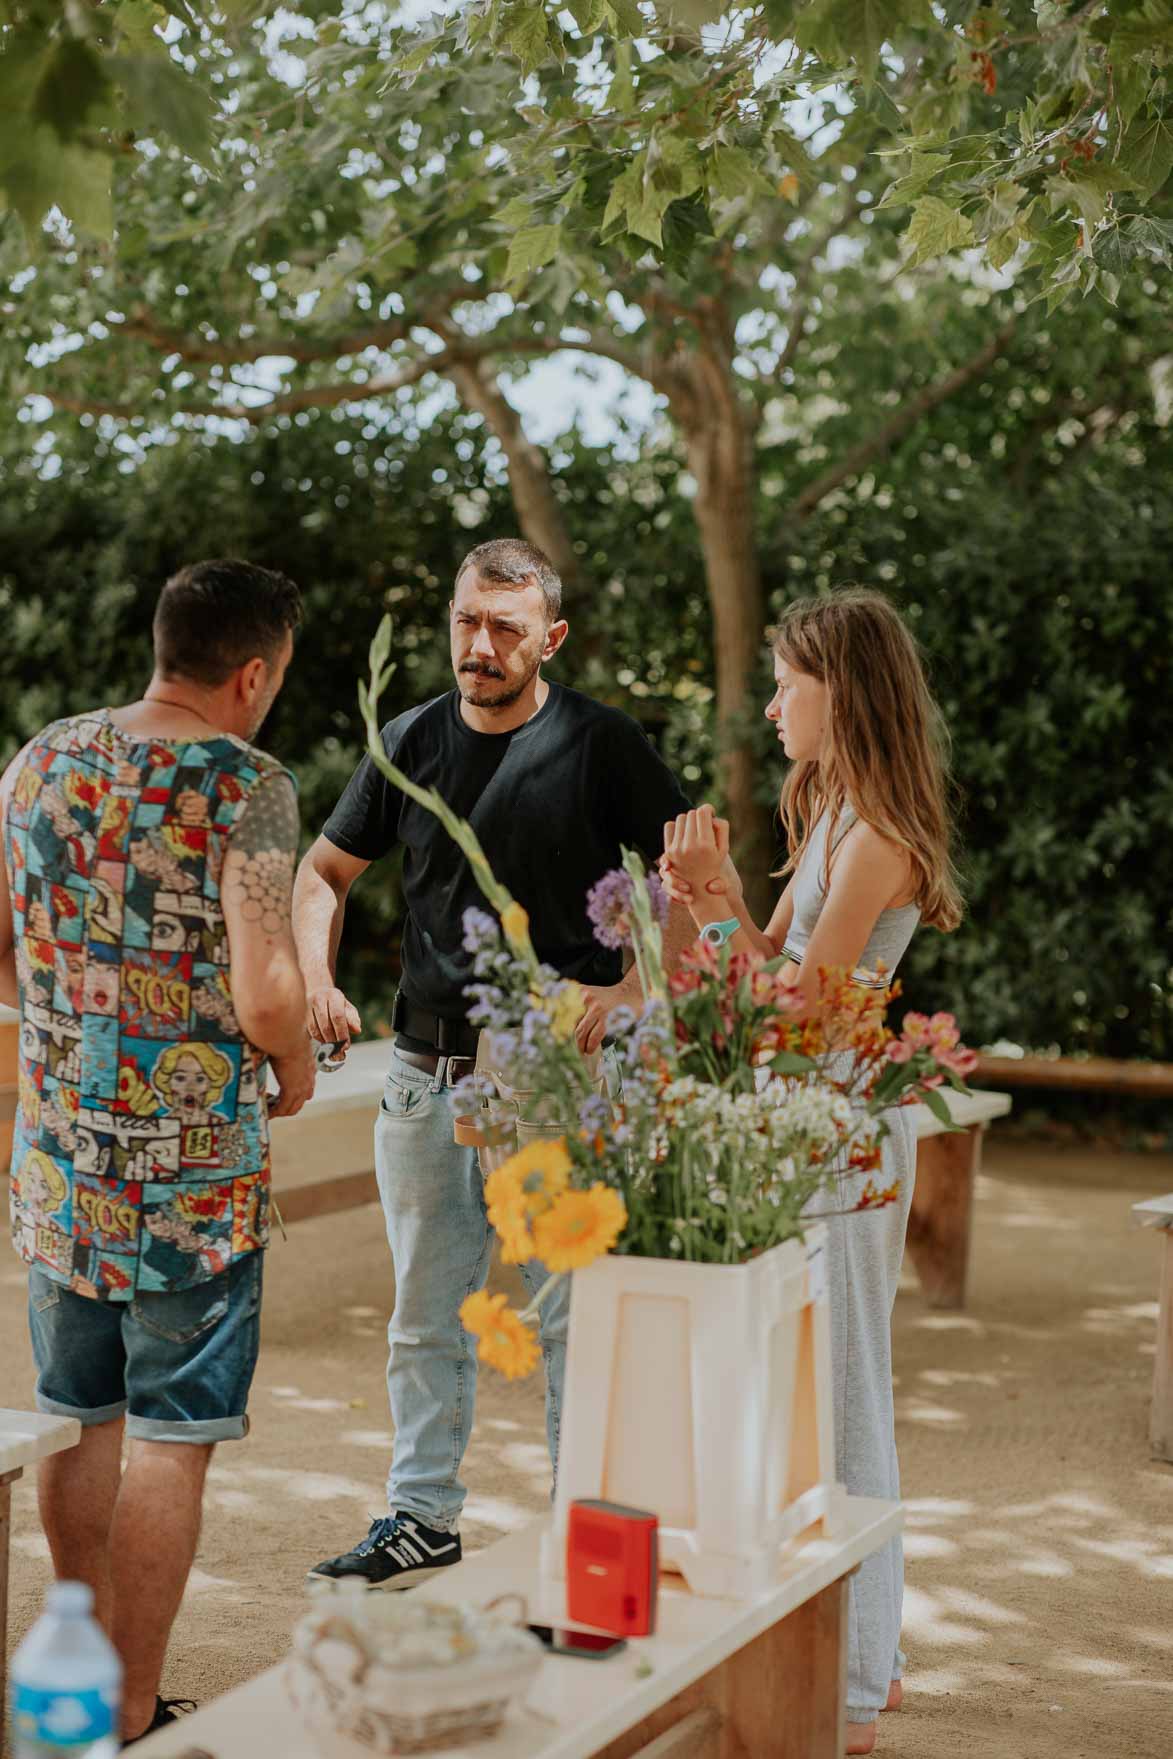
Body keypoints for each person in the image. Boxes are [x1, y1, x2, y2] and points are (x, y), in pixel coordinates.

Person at [295, 536, 694, 1589]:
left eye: (505, 628)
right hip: (425, 1078)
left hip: (556, 1086)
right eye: (468, 622)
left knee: (572, 1318)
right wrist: (315, 981)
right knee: (424, 1318)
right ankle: (420, 1515)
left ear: (548, 637)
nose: (480, 645)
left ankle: (580, 1530)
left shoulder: (602, 744)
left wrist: (639, 990)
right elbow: (323, 872)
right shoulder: (410, 738)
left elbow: (696, 861)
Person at [0, 560, 315, 1745]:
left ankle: (75, 1671)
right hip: (191, 1179)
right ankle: (133, 1704)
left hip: (63, 1161)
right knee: (172, 1438)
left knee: (77, 1410)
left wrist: (72, 1031)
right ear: (251, 673)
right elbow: (268, 987)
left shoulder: (37, 760)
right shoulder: (250, 785)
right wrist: (292, 1061)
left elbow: (0, 941)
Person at [659, 587, 962, 1757]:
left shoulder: (880, 834)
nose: (772, 703)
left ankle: (854, 1684)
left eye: (791, 682)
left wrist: (722, 898)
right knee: (801, 1397)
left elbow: (797, 1018)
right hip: (799, 1127)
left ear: (846, 690)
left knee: (843, 1401)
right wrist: (698, 903)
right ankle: (840, 1661)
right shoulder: (831, 810)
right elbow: (744, 980)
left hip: (843, 1133)